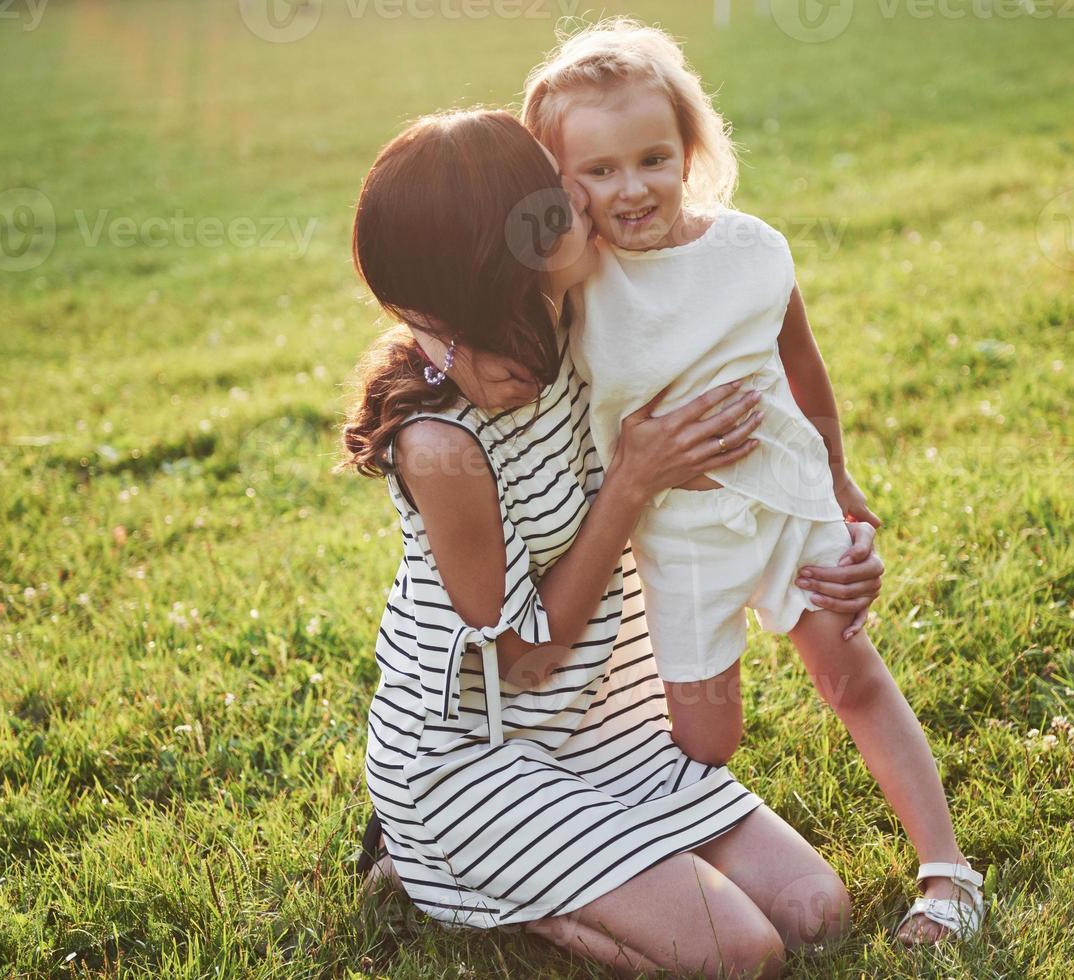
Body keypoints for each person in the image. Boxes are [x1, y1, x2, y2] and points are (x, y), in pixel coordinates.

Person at [337, 108, 887, 978]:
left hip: (601, 724)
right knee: (742, 954)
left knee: (817, 913)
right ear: (496, 258)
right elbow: (521, 660)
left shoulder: (572, 316)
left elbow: (756, 374)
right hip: (475, 758)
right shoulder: (442, 445)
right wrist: (630, 483)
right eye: (552, 198)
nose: (583, 202)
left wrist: (836, 534)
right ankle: (440, 873)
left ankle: (585, 867)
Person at [520, 18, 984, 944]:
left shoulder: (750, 252)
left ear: (690, 149)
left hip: (781, 503)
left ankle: (947, 873)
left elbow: (805, 375)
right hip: (675, 536)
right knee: (705, 742)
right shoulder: (572, 282)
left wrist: (842, 486)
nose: (631, 187)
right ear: (557, 182)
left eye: (653, 157)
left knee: (849, 676)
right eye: (597, 171)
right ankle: (657, 852)